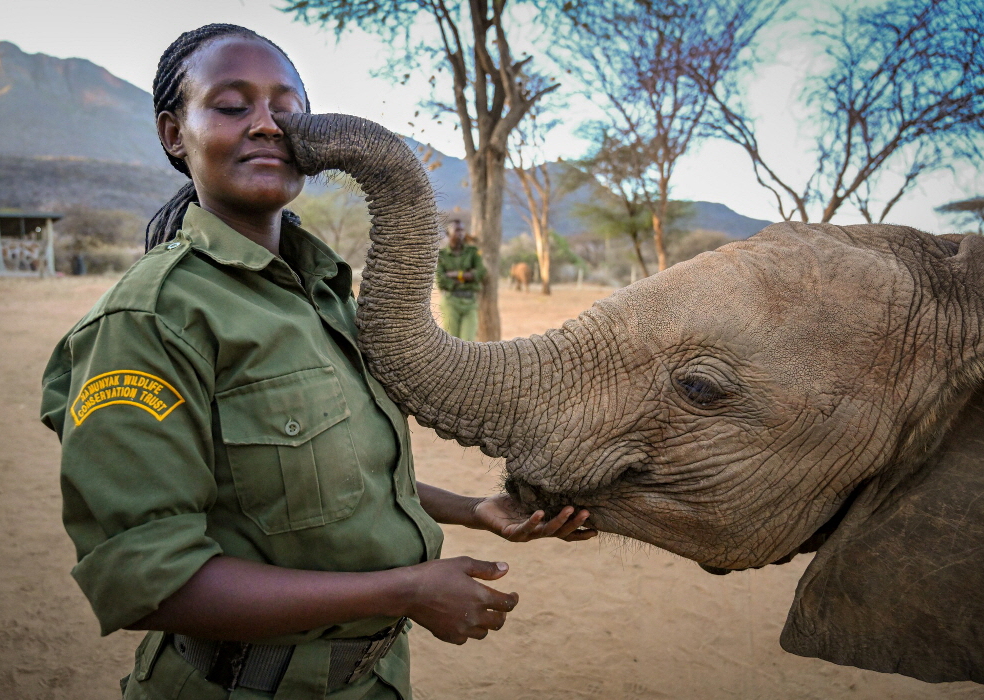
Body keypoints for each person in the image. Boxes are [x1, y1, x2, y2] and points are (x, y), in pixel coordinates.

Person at [39, 24, 596, 700]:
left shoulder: (323, 294)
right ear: (172, 133)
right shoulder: (150, 321)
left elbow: (312, 480)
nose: (268, 124)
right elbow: (153, 584)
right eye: (231, 105)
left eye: (287, 105)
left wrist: (474, 510)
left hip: (372, 682)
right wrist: (407, 589)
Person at [435, 219, 486, 341]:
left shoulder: (472, 252)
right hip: (450, 301)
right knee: (451, 342)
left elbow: (481, 272)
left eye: (462, 230)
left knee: (468, 344)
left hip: (470, 302)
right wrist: (468, 277)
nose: (461, 233)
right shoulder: (441, 255)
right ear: (449, 233)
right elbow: (441, 281)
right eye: (457, 230)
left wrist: (457, 275)